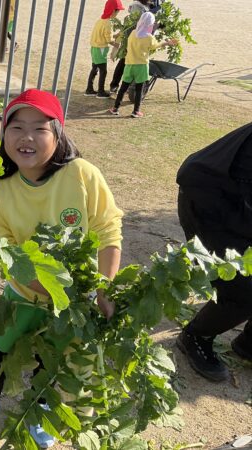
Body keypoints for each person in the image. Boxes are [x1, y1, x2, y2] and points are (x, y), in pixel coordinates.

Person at [0, 89, 123, 449]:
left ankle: (39, 408)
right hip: (24, 294)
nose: (27, 137)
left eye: (39, 128)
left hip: (75, 302)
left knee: (49, 357)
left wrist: (104, 288)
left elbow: (108, 231)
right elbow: (5, 252)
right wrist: (56, 293)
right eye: (16, 127)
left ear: (58, 135)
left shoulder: (82, 175)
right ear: (3, 135)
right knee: (2, 352)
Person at [176, 122, 252, 382]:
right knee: (242, 286)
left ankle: (248, 345)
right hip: (206, 201)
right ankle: (196, 336)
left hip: (237, 202)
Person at [108, 12, 176, 118]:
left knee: (123, 87)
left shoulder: (132, 33)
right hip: (142, 66)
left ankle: (115, 108)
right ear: (150, 24)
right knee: (139, 89)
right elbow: (155, 46)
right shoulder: (149, 37)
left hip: (129, 64)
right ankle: (136, 111)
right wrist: (167, 43)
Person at [85, 0, 125, 98]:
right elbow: (108, 40)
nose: (117, 14)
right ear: (113, 11)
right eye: (117, 11)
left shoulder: (100, 21)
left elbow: (104, 36)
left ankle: (89, 89)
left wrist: (116, 35)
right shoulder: (108, 23)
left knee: (94, 69)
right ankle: (101, 92)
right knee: (103, 71)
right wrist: (116, 45)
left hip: (94, 48)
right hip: (101, 49)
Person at [109, 0, 150, 93]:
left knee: (131, 63)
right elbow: (137, 22)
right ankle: (115, 85)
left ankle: (126, 86)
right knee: (124, 61)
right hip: (131, 38)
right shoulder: (137, 7)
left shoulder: (144, 6)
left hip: (138, 38)